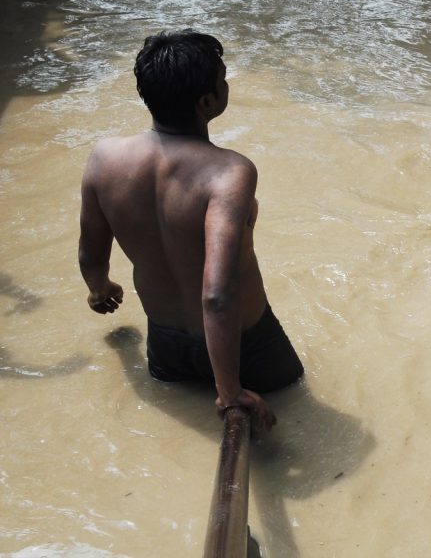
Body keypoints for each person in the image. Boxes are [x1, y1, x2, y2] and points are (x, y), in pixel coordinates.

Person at [78, 29, 303, 433]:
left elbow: (92, 255)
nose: (226, 84)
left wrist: (100, 288)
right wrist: (230, 391)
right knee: (297, 405)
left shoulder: (103, 159)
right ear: (207, 101)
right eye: (223, 79)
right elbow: (217, 296)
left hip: (166, 346)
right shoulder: (229, 172)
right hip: (246, 346)